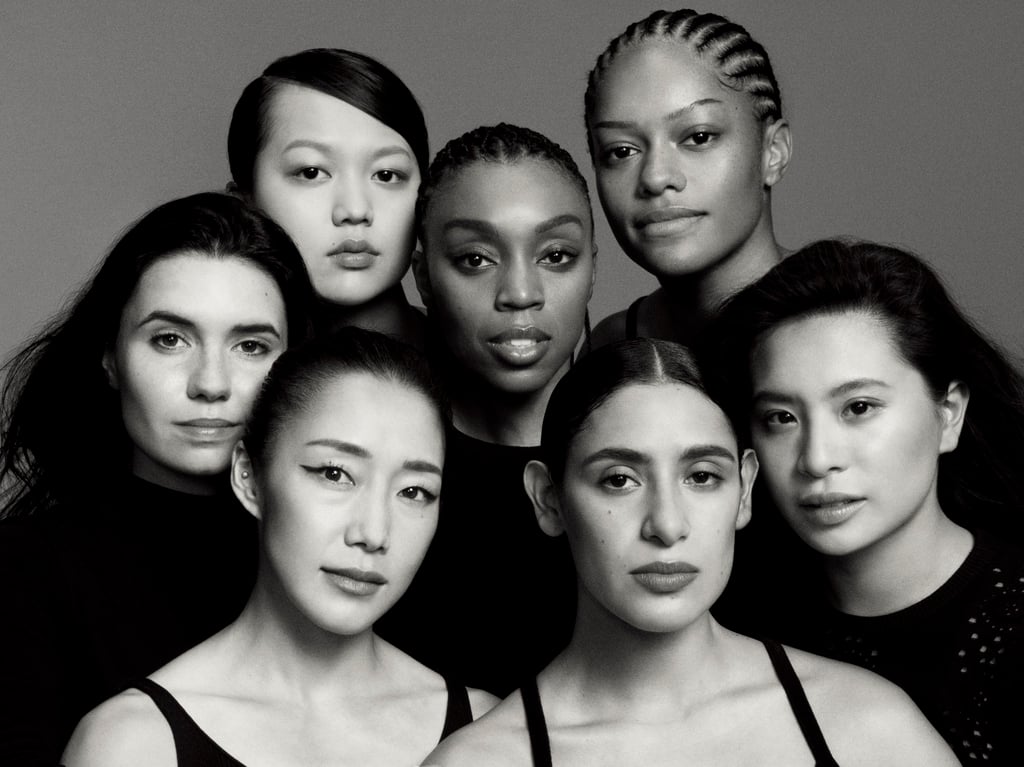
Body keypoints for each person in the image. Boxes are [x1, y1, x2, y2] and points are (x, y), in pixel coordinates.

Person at [424, 338, 958, 766]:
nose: (667, 525)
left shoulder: (865, 724)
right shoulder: (482, 760)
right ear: (548, 499)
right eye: (619, 479)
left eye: (702, 477)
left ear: (744, 491)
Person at [62, 328, 496, 767]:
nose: (373, 532)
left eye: (414, 492)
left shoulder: (490, 734)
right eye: (334, 473)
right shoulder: (130, 744)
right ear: (249, 477)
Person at [0, 192, 315, 766]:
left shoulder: (342, 562)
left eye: (251, 346)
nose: (210, 384)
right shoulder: (22, 572)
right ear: (110, 357)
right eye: (170, 339)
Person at [710, 238, 1024, 764]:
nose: (817, 458)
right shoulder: (738, 624)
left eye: (858, 407)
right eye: (781, 418)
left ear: (948, 414)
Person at [375, 123, 596, 695]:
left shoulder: (654, 458)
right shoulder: (377, 468)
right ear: (424, 277)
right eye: (475, 259)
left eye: (556, 255)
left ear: (592, 267)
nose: (520, 293)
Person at [584, 9, 791, 347]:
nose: (655, 177)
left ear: (774, 151)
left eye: (698, 137)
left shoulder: (865, 316)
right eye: (621, 151)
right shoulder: (613, 347)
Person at [228, 47, 430, 346]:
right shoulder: (214, 369)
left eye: (386, 175)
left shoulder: (480, 366)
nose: (355, 210)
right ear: (244, 203)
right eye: (311, 172)